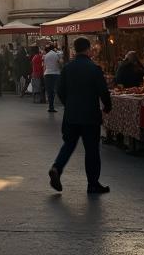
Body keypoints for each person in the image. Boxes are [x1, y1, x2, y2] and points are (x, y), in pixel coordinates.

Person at [47, 36, 111, 195]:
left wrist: (69, 103)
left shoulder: (68, 68)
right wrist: (107, 106)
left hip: (71, 115)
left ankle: (57, 167)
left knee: (69, 144)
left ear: (75, 50)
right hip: (90, 115)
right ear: (88, 49)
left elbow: (59, 90)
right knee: (92, 150)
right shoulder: (94, 68)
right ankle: (93, 184)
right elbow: (103, 91)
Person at [42, 43, 64, 112]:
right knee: (57, 90)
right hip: (56, 74)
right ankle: (64, 104)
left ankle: (50, 107)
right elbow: (60, 64)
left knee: (49, 91)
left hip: (47, 74)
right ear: (54, 48)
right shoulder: (57, 54)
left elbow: (44, 66)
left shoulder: (45, 56)